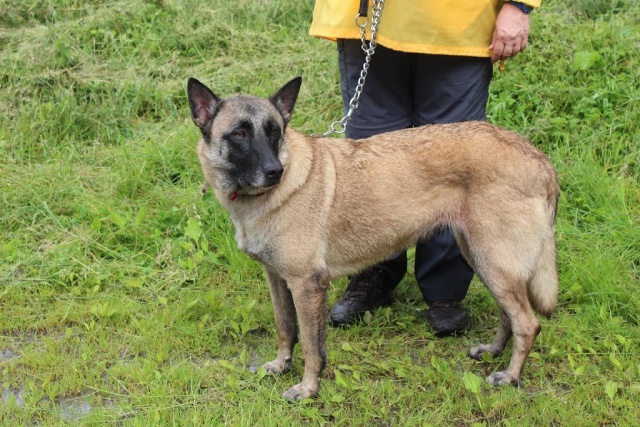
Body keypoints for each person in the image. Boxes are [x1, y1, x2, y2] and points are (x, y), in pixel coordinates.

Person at [309, 0, 539, 336]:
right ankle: (372, 274)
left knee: (453, 166)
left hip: (457, 22)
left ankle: (445, 291)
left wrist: (519, 5)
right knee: (369, 166)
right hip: (368, 16)